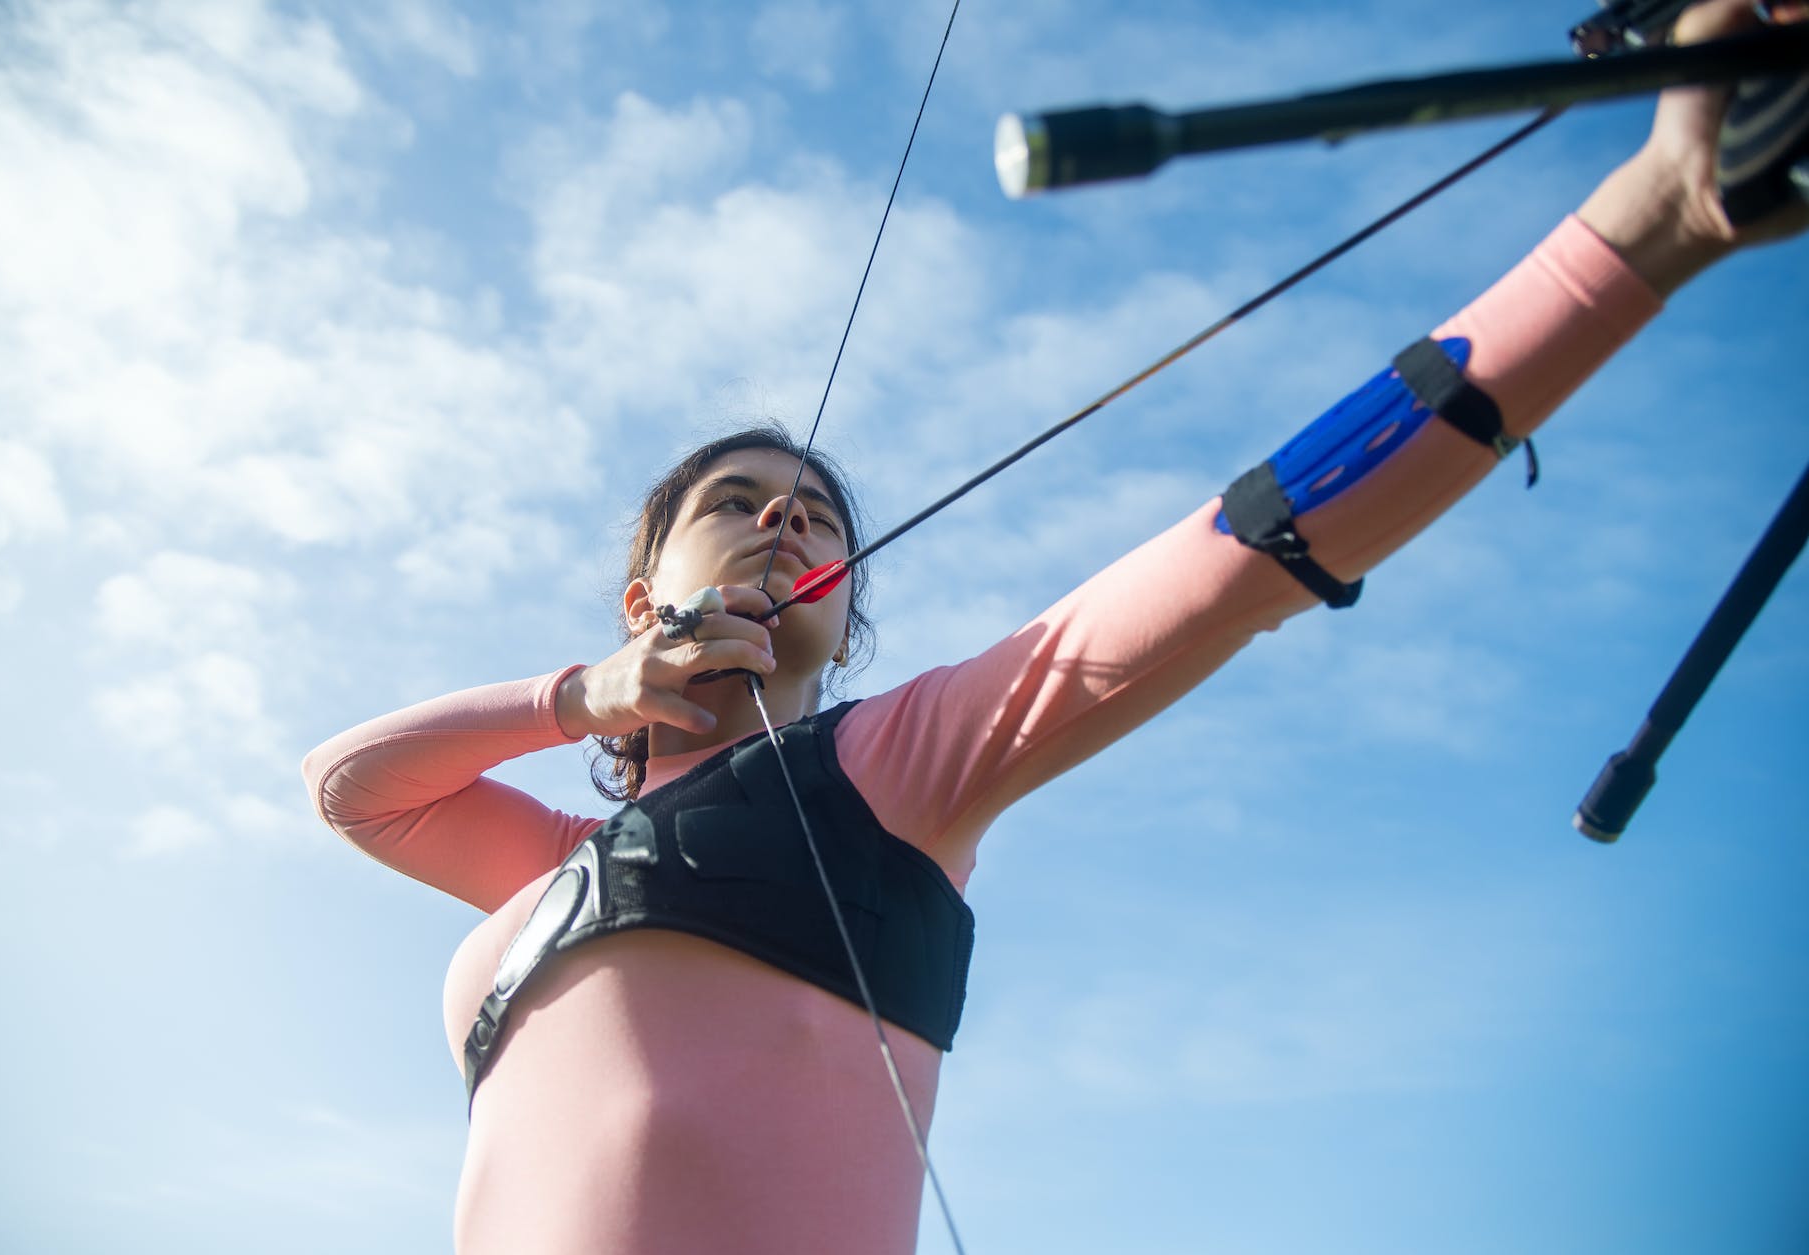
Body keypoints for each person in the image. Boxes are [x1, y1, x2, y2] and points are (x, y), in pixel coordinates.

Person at [301, 3, 1806, 1251]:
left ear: (846, 611)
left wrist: (1649, 225)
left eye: (820, 514)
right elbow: (350, 792)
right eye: (740, 500)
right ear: (644, 598)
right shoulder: (546, 872)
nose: (787, 518)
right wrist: (589, 692)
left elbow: (1250, 547)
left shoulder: (891, 767)